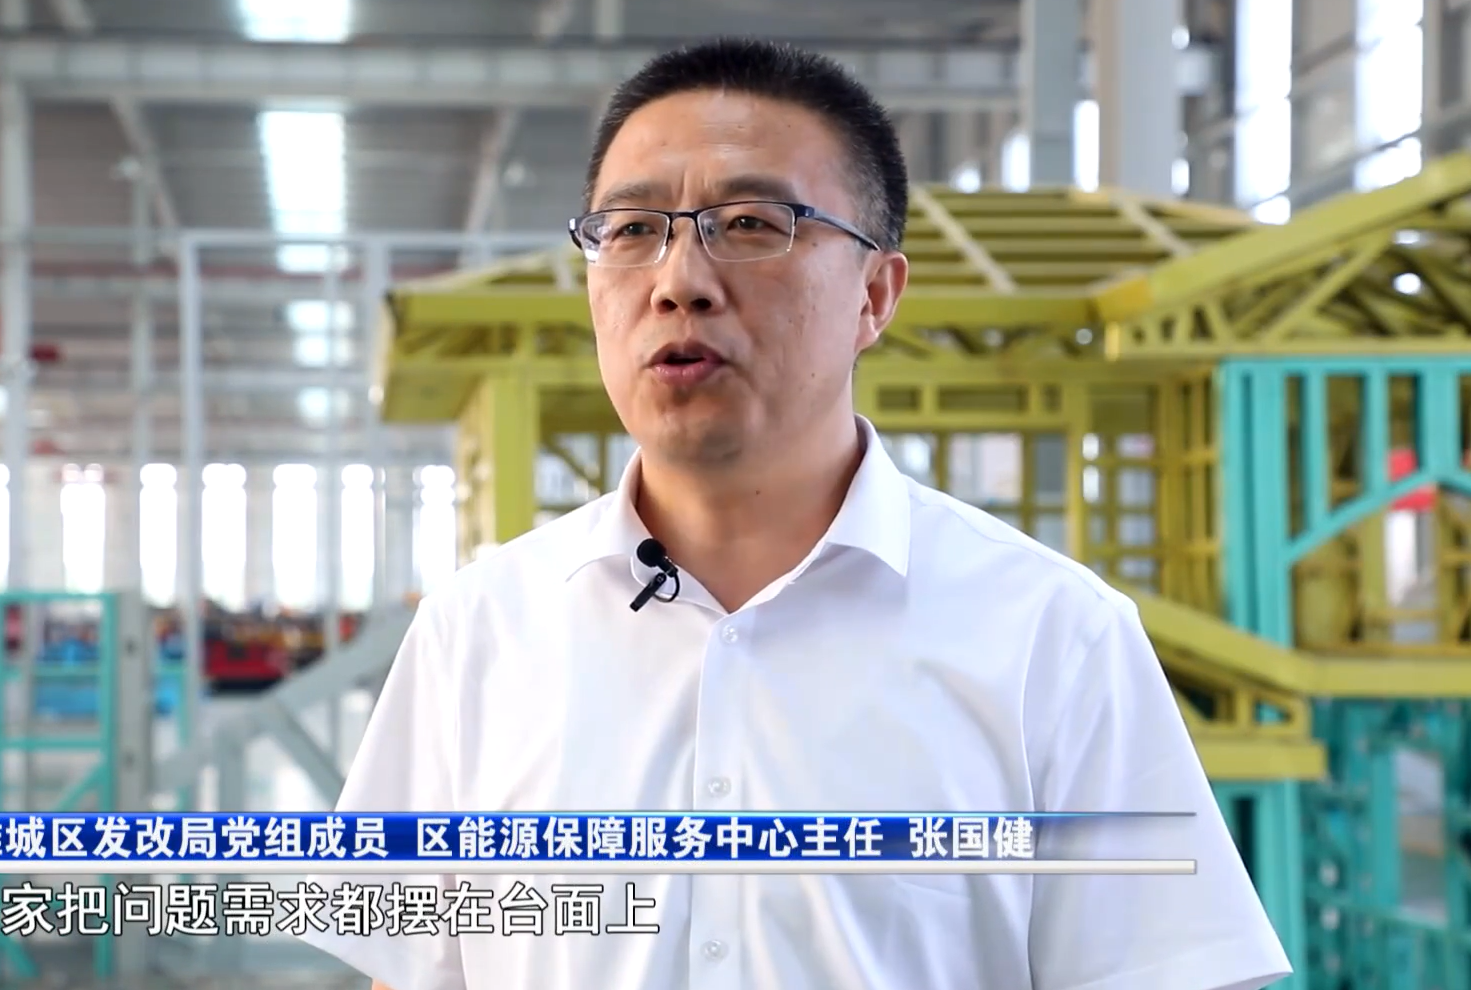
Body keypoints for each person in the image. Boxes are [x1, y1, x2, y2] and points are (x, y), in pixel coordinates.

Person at [297, 37, 1290, 990]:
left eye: (750, 225)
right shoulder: (477, 634)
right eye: (632, 231)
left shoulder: (1053, 640)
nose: (679, 283)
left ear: (875, 294)